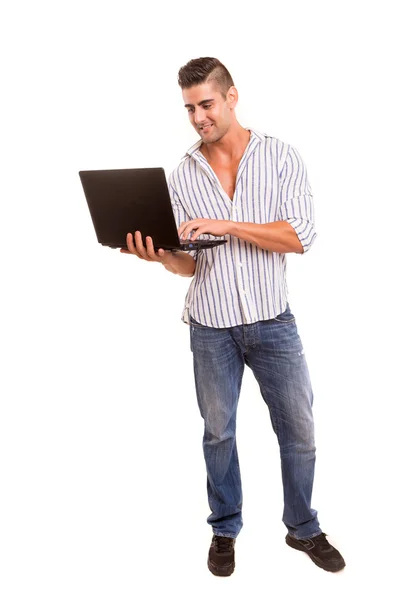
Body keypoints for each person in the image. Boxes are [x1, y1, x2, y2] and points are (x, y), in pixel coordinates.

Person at [121, 57, 346, 576]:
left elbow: (299, 236)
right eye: (189, 108)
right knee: (218, 432)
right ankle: (225, 527)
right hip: (210, 325)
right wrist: (158, 256)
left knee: (300, 430)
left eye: (206, 104)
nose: (198, 117)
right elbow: (188, 265)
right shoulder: (181, 176)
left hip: (273, 321)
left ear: (232, 96)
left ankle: (302, 528)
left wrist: (228, 222)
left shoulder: (281, 157)